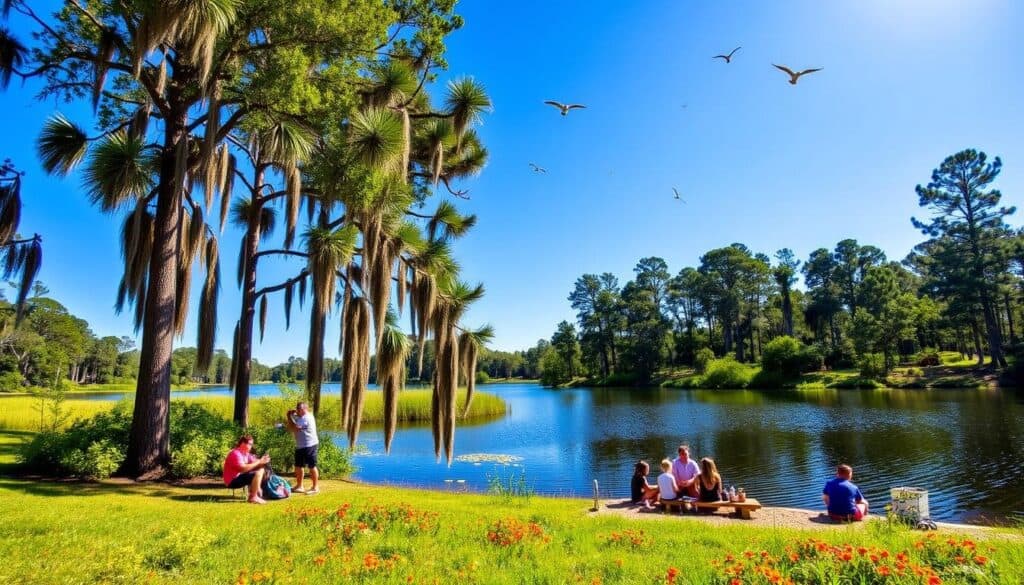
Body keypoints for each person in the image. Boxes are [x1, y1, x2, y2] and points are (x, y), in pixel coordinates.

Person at [223, 434, 271, 505]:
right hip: (232, 481)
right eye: (250, 444)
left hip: (239, 477)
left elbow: (256, 462)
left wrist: (263, 461)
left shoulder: (246, 454)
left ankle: (257, 492)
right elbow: (242, 469)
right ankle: (253, 497)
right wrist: (259, 462)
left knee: (261, 469)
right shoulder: (235, 453)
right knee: (257, 473)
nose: (251, 446)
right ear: (243, 443)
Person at [285, 401, 320, 495]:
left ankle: (315, 487)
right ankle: (300, 486)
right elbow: (290, 426)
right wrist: (291, 416)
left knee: (312, 466)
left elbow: (294, 428)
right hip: (300, 445)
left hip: (310, 445)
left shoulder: (306, 418)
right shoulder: (300, 417)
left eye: (300, 409)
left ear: (305, 409)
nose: (298, 411)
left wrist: (289, 416)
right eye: (297, 409)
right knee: (298, 466)